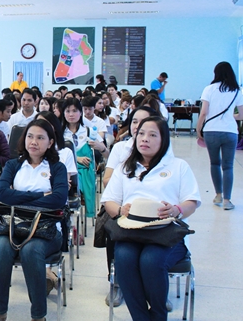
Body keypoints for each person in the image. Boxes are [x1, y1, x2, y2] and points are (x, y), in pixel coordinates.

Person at [101, 116, 201, 320]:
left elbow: (192, 202)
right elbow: (109, 201)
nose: (144, 139)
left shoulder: (178, 166)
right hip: (131, 231)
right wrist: (120, 210)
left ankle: (158, 314)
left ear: (164, 140)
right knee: (124, 258)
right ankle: (140, 317)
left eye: (152, 135)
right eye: (141, 134)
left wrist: (176, 210)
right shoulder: (124, 168)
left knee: (151, 260)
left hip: (166, 233)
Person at [0, 119, 68, 321]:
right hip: (12, 226)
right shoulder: (13, 165)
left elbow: (59, 199)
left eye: (40, 138)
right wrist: (41, 196)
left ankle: (38, 315)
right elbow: (3, 194)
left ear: (50, 143)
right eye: (30, 136)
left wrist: (18, 196)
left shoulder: (57, 168)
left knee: (31, 250)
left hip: (46, 230)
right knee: (0, 248)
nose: (34, 142)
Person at [101, 106, 159, 307]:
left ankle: (157, 288)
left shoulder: (162, 151)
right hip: (121, 203)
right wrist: (127, 184)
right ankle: (116, 282)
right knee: (112, 226)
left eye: (143, 122)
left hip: (152, 208)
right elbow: (107, 179)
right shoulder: (120, 148)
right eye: (134, 122)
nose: (137, 127)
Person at [197, 61, 243, 210]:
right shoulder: (236, 90)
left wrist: (198, 128)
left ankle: (218, 195)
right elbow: (241, 115)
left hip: (211, 131)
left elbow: (204, 112)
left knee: (215, 163)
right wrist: (230, 117)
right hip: (230, 132)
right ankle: (227, 201)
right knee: (228, 166)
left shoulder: (209, 89)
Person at [62, 98, 107, 218]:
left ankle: (82, 201)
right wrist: (77, 159)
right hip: (66, 171)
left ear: (80, 112)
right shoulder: (59, 133)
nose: (71, 114)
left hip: (85, 170)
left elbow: (107, 154)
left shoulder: (89, 131)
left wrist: (100, 147)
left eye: (74, 111)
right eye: (67, 111)